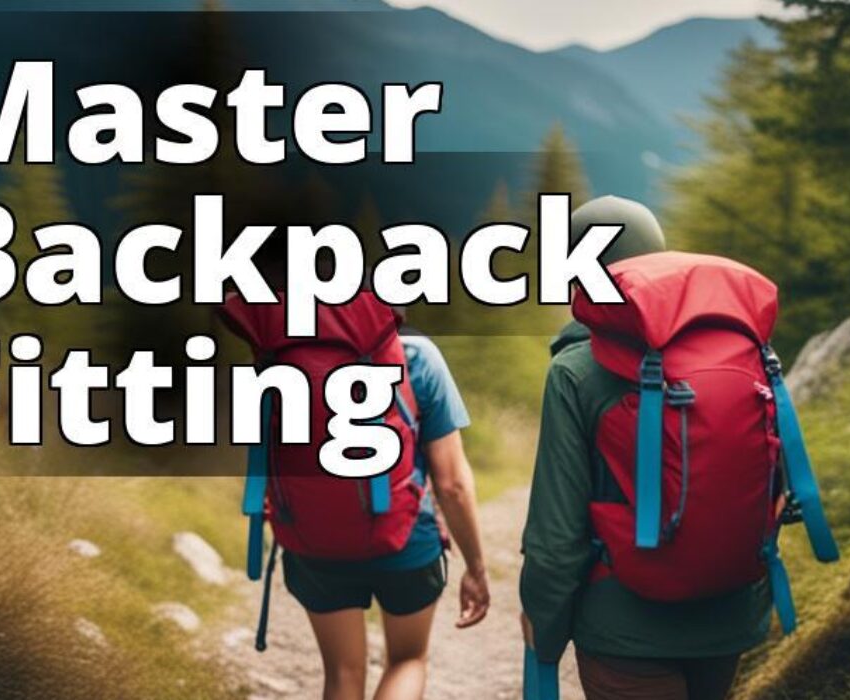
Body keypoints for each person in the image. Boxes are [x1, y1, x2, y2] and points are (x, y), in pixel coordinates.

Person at [519, 195, 772, 700]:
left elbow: (557, 534)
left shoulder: (574, 370)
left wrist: (543, 628)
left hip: (625, 628)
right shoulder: (745, 349)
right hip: (729, 614)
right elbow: (773, 482)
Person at [283, 321, 491, 700]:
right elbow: (452, 484)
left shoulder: (284, 360)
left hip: (313, 537)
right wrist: (476, 567)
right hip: (407, 539)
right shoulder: (417, 357)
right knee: (408, 659)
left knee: (342, 673)